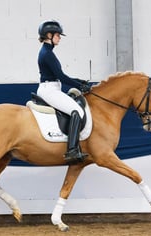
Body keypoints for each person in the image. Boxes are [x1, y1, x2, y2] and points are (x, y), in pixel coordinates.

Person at [37, 20, 91, 164]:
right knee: (77, 111)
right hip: (50, 90)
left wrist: (79, 81)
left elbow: (59, 75)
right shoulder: (47, 53)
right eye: (58, 35)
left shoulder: (47, 51)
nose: (59, 38)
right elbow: (61, 76)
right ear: (49, 35)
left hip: (52, 88)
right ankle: (72, 150)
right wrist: (79, 85)